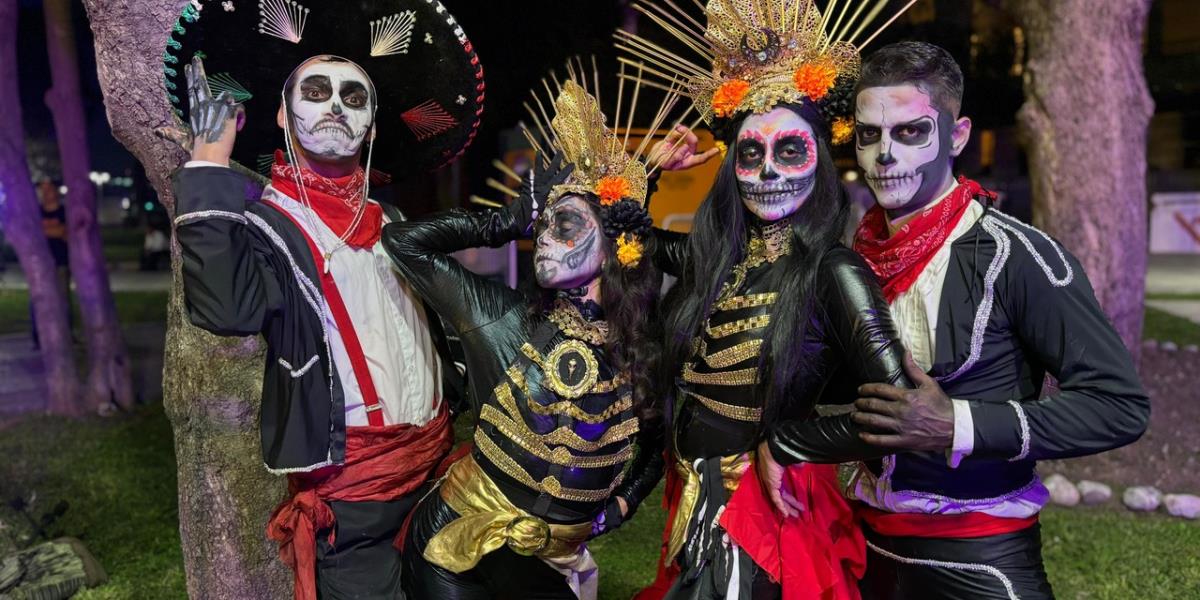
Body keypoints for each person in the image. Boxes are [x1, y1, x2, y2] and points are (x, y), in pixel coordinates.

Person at [159, 1, 484, 597]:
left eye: (353, 97)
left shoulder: (393, 221)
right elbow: (226, 309)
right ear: (283, 114)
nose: (335, 105)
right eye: (316, 91)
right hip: (351, 493)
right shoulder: (268, 224)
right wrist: (208, 160)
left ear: (373, 127)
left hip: (441, 472)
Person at [617, 0, 921, 597]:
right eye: (751, 155)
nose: (767, 174)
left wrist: (789, 443)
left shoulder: (833, 271)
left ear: (820, 159)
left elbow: (903, 407)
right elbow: (625, 240)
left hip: (762, 513)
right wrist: (650, 174)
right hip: (695, 495)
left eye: (789, 151)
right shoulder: (716, 258)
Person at [844, 42, 1150, 599]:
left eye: (911, 132)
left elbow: (1119, 406)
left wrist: (957, 424)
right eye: (869, 134)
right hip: (864, 552)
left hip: (982, 561)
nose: (885, 154)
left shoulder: (1019, 257)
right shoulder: (853, 260)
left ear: (957, 136)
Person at [384, 74, 673, 600]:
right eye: (542, 226)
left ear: (615, 245)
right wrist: (506, 221)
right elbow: (404, 242)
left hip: (552, 561)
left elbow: (656, 447)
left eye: (565, 225)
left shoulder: (642, 347)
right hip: (454, 549)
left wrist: (621, 505)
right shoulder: (503, 318)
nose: (543, 238)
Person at [32, 179, 71, 348]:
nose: (45, 193)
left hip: (60, 263)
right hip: (39, 267)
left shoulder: (64, 212)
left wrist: (44, 230)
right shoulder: (36, 212)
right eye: (42, 189)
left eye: (49, 189)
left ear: (56, 191)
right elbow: (32, 232)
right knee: (38, 302)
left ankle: (65, 336)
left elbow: (66, 232)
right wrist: (54, 230)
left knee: (62, 301)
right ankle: (39, 338)